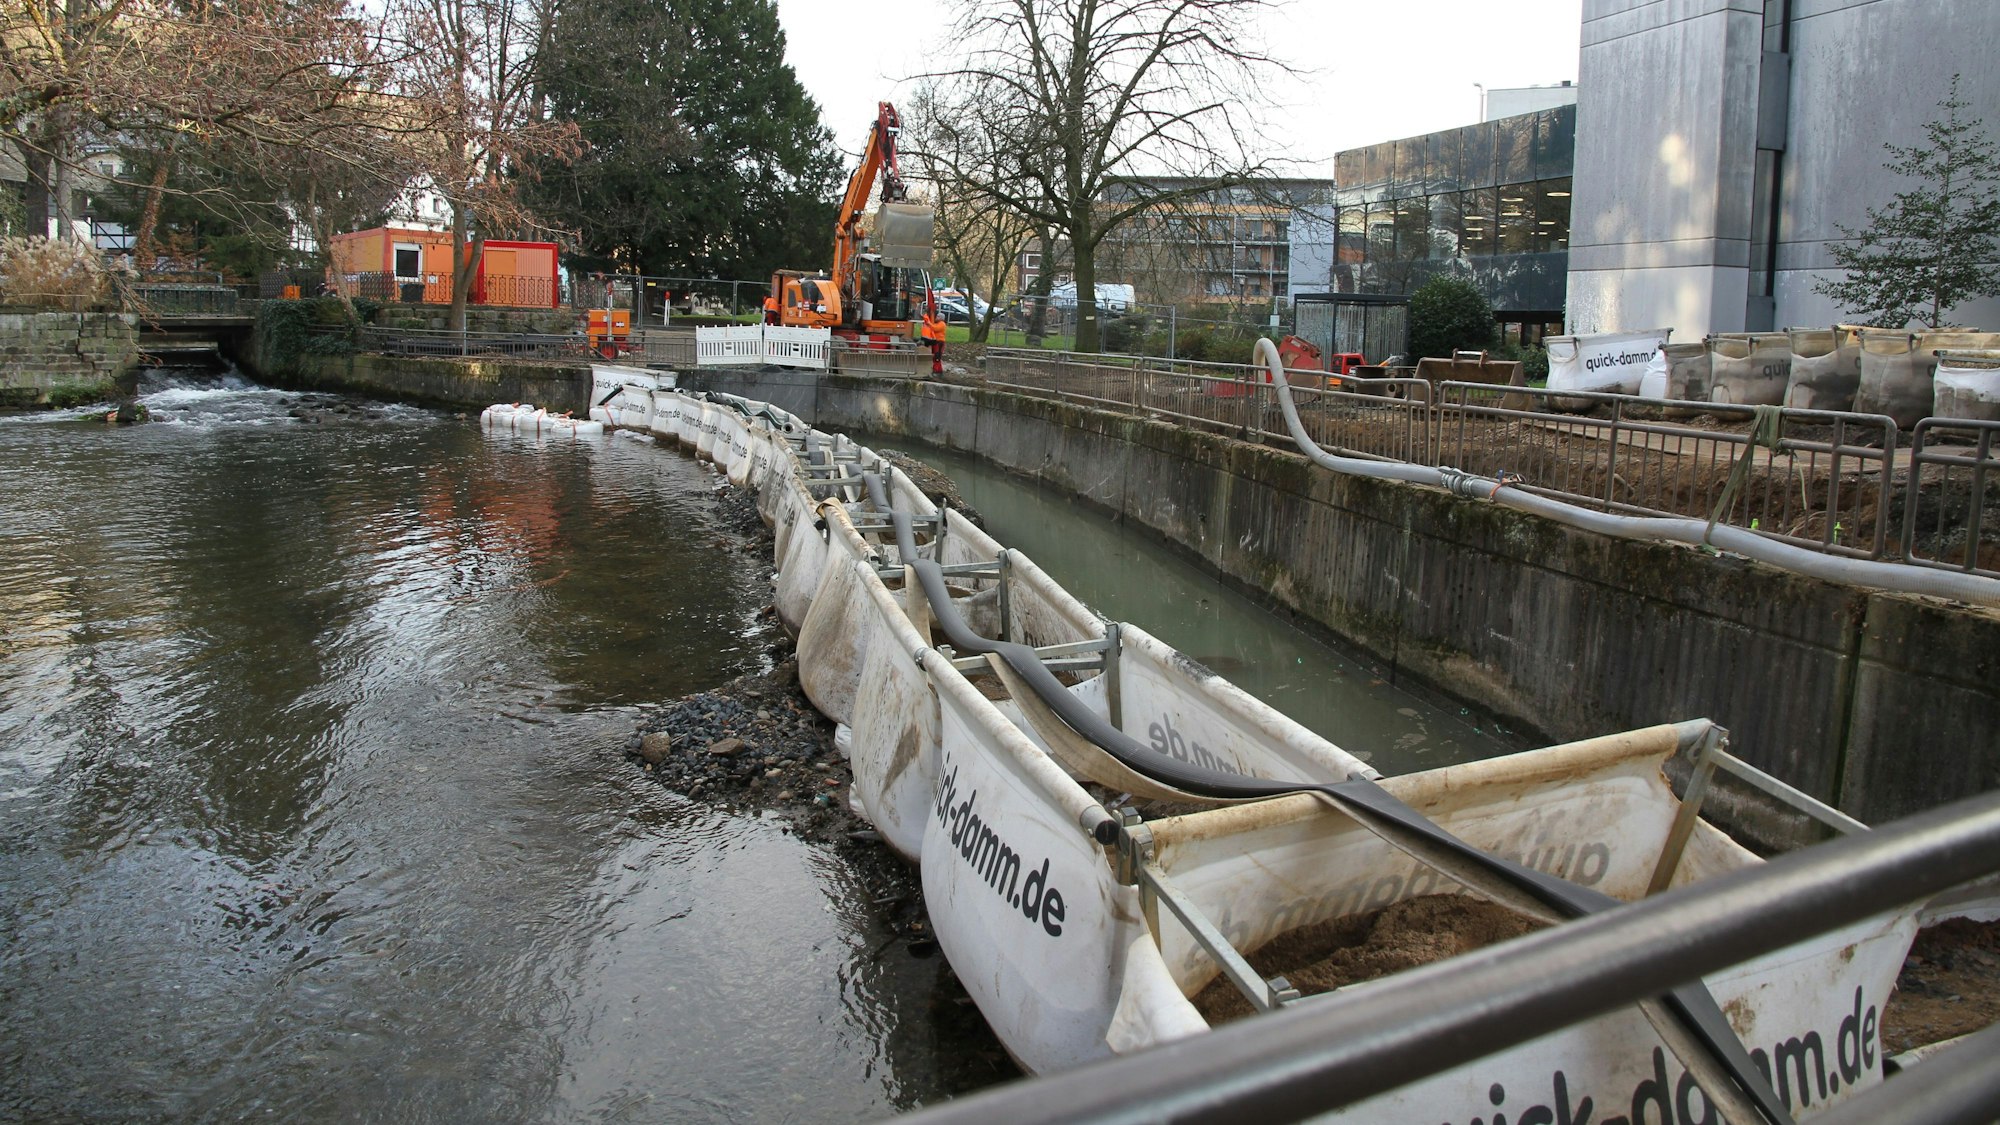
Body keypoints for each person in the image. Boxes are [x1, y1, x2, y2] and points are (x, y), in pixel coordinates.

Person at [920, 310, 947, 375]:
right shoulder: (938, 323)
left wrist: (929, 323)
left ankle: (936, 370)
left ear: (941, 318)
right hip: (936, 342)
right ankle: (939, 370)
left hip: (939, 342)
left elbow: (935, 328)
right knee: (936, 356)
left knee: (937, 357)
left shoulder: (942, 324)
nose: (936, 317)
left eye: (937, 316)